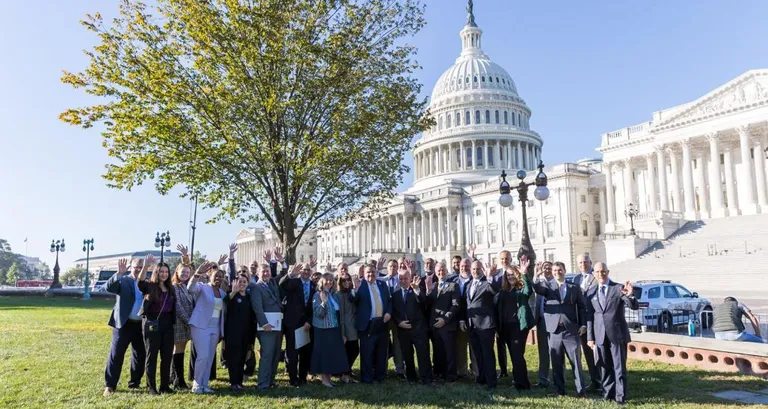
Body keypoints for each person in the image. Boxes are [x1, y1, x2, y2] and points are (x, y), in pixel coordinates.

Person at [533, 259, 588, 397]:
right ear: (552, 273)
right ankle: (560, 390)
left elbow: (581, 307)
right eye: (555, 271)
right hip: (554, 331)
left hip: (571, 330)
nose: (557, 272)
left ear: (564, 271)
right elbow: (536, 289)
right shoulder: (548, 287)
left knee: (576, 362)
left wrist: (583, 324)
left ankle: (581, 390)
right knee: (556, 363)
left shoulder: (574, 288)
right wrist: (535, 276)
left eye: (559, 270)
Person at [586, 262, 639, 405]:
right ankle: (608, 394)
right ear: (593, 274)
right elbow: (590, 316)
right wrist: (590, 337)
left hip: (617, 334)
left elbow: (633, 306)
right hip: (600, 335)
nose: (600, 274)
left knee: (619, 367)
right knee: (604, 367)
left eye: (603, 271)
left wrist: (630, 295)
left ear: (607, 272)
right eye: (597, 272)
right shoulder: (591, 292)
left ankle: (620, 397)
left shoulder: (617, 288)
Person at [103, 257, 147, 397]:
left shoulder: (146, 283)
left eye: (141, 267)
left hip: (141, 325)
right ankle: (110, 385)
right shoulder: (124, 280)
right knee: (116, 354)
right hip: (124, 324)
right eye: (136, 266)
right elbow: (108, 288)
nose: (138, 269)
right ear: (131, 267)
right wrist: (119, 273)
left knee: (140, 355)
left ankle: (135, 382)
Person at [136, 259, 177, 395]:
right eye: (161, 271)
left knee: (166, 356)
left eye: (166, 272)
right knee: (151, 355)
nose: (164, 274)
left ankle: (164, 385)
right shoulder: (150, 286)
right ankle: (151, 387)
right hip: (152, 322)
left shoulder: (171, 288)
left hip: (168, 324)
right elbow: (140, 282)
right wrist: (146, 265)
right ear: (156, 273)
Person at [187, 262, 228, 393]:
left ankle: (204, 384)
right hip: (200, 326)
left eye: (221, 276)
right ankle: (197, 384)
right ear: (210, 275)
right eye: (216, 276)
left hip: (215, 328)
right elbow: (190, 288)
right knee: (203, 355)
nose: (218, 278)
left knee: (210, 356)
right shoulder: (202, 287)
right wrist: (197, 273)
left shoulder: (222, 293)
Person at [462, 260, 499, 390]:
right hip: (472, 325)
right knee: (477, 353)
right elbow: (466, 304)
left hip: (485, 325)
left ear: (481, 269)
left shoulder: (486, 283)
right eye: (473, 269)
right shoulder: (468, 284)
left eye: (477, 269)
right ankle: (481, 377)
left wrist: (490, 276)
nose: (475, 271)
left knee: (487, 354)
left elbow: (495, 289)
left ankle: (491, 381)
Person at [353, 265, 392, 384]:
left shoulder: (382, 285)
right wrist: (355, 290)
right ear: (364, 274)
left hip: (382, 323)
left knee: (381, 352)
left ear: (376, 273)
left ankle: (380, 376)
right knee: (367, 353)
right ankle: (367, 377)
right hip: (367, 325)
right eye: (368, 273)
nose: (371, 275)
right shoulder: (361, 285)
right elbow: (353, 301)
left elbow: (389, 301)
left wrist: (388, 312)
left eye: (373, 272)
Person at [497, 264, 534, 390]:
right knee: (514, 354)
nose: (510, 277)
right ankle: (517, 380)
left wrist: (524, 274)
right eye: (508, 275)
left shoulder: (521, 287)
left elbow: (529, 291)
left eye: (512, 274)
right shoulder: (504, 290)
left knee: (517, 354)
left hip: (518, 327)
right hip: (506, 327)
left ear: (517, 274)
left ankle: (523, 384)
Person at [392, 270, 432, 385]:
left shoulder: (417, 289)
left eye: (405, 278)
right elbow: (393, 311)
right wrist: (399, 322)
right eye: (401, 279)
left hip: (418, 329)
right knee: (407, 356)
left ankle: (426, 378)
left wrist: (416, 289)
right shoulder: (395, 294)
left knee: (423, 355)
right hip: (403, 330)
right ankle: (411, 378)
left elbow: (424, 302)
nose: (403, 281)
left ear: (410, 278)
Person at [311, 273, 351, 387]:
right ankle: (324, 379)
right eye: (326, 280)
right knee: (324, 354)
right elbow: (318, 313)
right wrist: (323, 302)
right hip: (323, 330)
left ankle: (328, 378)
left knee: (331, 354)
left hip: (334, 329)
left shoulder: (333, 295)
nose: (329, 282)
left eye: (331, 280)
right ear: (321, 282)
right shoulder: (317, 295)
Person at [279, 263, 315, 387]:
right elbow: (282, 284)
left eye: (308, 270)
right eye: (304, 269)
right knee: (292, 353)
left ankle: (303, 377)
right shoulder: (294, 282)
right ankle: (293, 379)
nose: (306, 272)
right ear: (300, 271)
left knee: (305, 353)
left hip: (306, 325)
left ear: (311, 272)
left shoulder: (314, 285)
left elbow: (313, 307)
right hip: (292, 323)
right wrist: (290, 275)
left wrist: (309, 321)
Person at [249, 262, 284, 390]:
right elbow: (257, 308)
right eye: (263, 271)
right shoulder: (256, 287)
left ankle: (271, 381)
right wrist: (264, 323)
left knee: (275, 354)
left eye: (267, 271)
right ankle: (262, 384)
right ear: (258, 273)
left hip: (277, 325)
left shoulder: (272, 284)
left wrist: (277, 262)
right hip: (266, 327)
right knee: (267, 355)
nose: (266, 273)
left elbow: (282, 274)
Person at [425, 262, 460, 383]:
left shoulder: (453, 285)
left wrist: (445, 319)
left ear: (447, 271)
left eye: (443, 270)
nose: (441, 272)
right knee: (437, 350)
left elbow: (455, 305)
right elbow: (428, 305)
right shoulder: (433, 285)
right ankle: (439, 372)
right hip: (434, 325)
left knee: (449, 351)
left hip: (447, 324)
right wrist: (428, 291)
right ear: (435, 272)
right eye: (439, 270)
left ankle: (451, 375)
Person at [572, 253, 600, 391]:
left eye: (585, 262)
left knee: (598, 352)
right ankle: (595, 380)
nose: (583, 264)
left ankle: (603, 380)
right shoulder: (576, 279)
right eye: (580, 263)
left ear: (590, 262)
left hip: (596, 320)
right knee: (587, 353)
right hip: (582, 322)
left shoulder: (597, 276)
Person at [170, 246, 195, 390]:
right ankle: (179, 381)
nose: (185, 274)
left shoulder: (187, 287)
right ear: (177, 273)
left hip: (185, 324)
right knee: (178, 351)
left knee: (180, 351)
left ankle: (173, 377)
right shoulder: (175, 287)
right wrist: (189, 321)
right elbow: (178, 307)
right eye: (183, 272)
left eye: (187, 272)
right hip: (179, 324)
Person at [225, 273, 253, 391]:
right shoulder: (232, 296)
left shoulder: (249, 297)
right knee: (233, 358)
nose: (242, 284)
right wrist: (233, 291)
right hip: (232, 333)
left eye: (244, 282)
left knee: (242, 358)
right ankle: (233, 382)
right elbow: (225, 301)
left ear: (247, 284)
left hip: (245, 333)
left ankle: (239, 382)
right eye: (239, 281)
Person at [379, 259, 405, 378]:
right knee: (383, 343)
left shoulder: (401, 280)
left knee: (398, 343)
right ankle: (382, 369)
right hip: (385, 316)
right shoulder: (381, 280)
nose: (393, 268)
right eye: (390, 266)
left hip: (398, 316)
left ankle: (399, 369)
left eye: (395, 266)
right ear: (387, 267)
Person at [532, 261, 553, 388]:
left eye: (549, 268)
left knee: (557, 351)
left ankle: (558, 377)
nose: (547, 270)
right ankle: (543, 379)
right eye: (545, 268)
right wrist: (536, 274)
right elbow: (531, 287)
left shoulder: (556, 282)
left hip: (555, 321)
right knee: (543, 351)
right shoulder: (538, 281)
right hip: (541, 320)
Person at [454, 258, 476, 378]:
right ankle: (462, 371)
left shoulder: (475, 280)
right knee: (460, 346)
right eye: (462, 266)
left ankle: (476, 370)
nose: (464, 268)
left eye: (467, 266)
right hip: (458, 319)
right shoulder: (453, 281)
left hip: (474, 319)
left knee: (474, 346)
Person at [337, 269, 359, 383]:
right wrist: (342, 333)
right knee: (352, 351)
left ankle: (347, 373)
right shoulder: (340, 295)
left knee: (353, 350)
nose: (346, 282)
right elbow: (340, 315)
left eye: (348, 280)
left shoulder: (351, 292)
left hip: (354, 326)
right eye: (343, 280)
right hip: (346, 327)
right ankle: (345, 374)